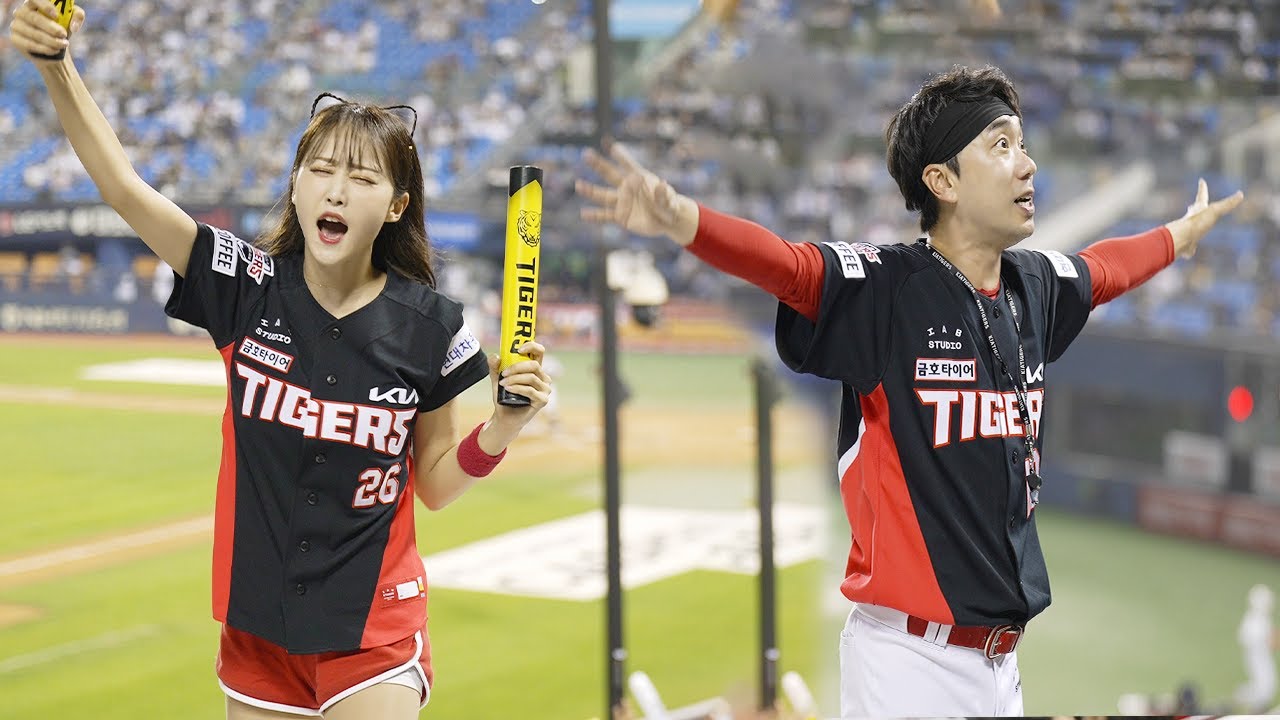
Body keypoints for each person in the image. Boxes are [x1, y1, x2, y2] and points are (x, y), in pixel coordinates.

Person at [576, 64, 1243, 717]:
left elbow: (1106, 269)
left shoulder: (1033, 285)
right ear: (941, 180)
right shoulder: (886, 288)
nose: (1028, 164)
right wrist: (683, 218)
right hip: (907, 665)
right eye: (1001, 145)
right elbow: (788, 266)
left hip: (1001, 666)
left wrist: (1180, 235)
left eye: (1024, 143)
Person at [9, 2, 553, 718]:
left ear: (395, 206)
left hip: (375, 635)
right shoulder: (242, 285)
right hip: (257, 630)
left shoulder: (433, 328)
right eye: (320, 169)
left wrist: (504, 429)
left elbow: (436, 485)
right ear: (295, 185)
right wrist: (58, 68)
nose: (334, 188)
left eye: (361, 179)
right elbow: (122, 188)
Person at [1236, 583, 1277, 712]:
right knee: (1265, 687)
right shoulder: (1255, 619)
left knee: (1267, 685)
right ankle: (1249, 705)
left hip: (1260, 656)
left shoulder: (1261, 618)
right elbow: (1246, 638)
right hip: (1257, 657)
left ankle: (1252, 706)